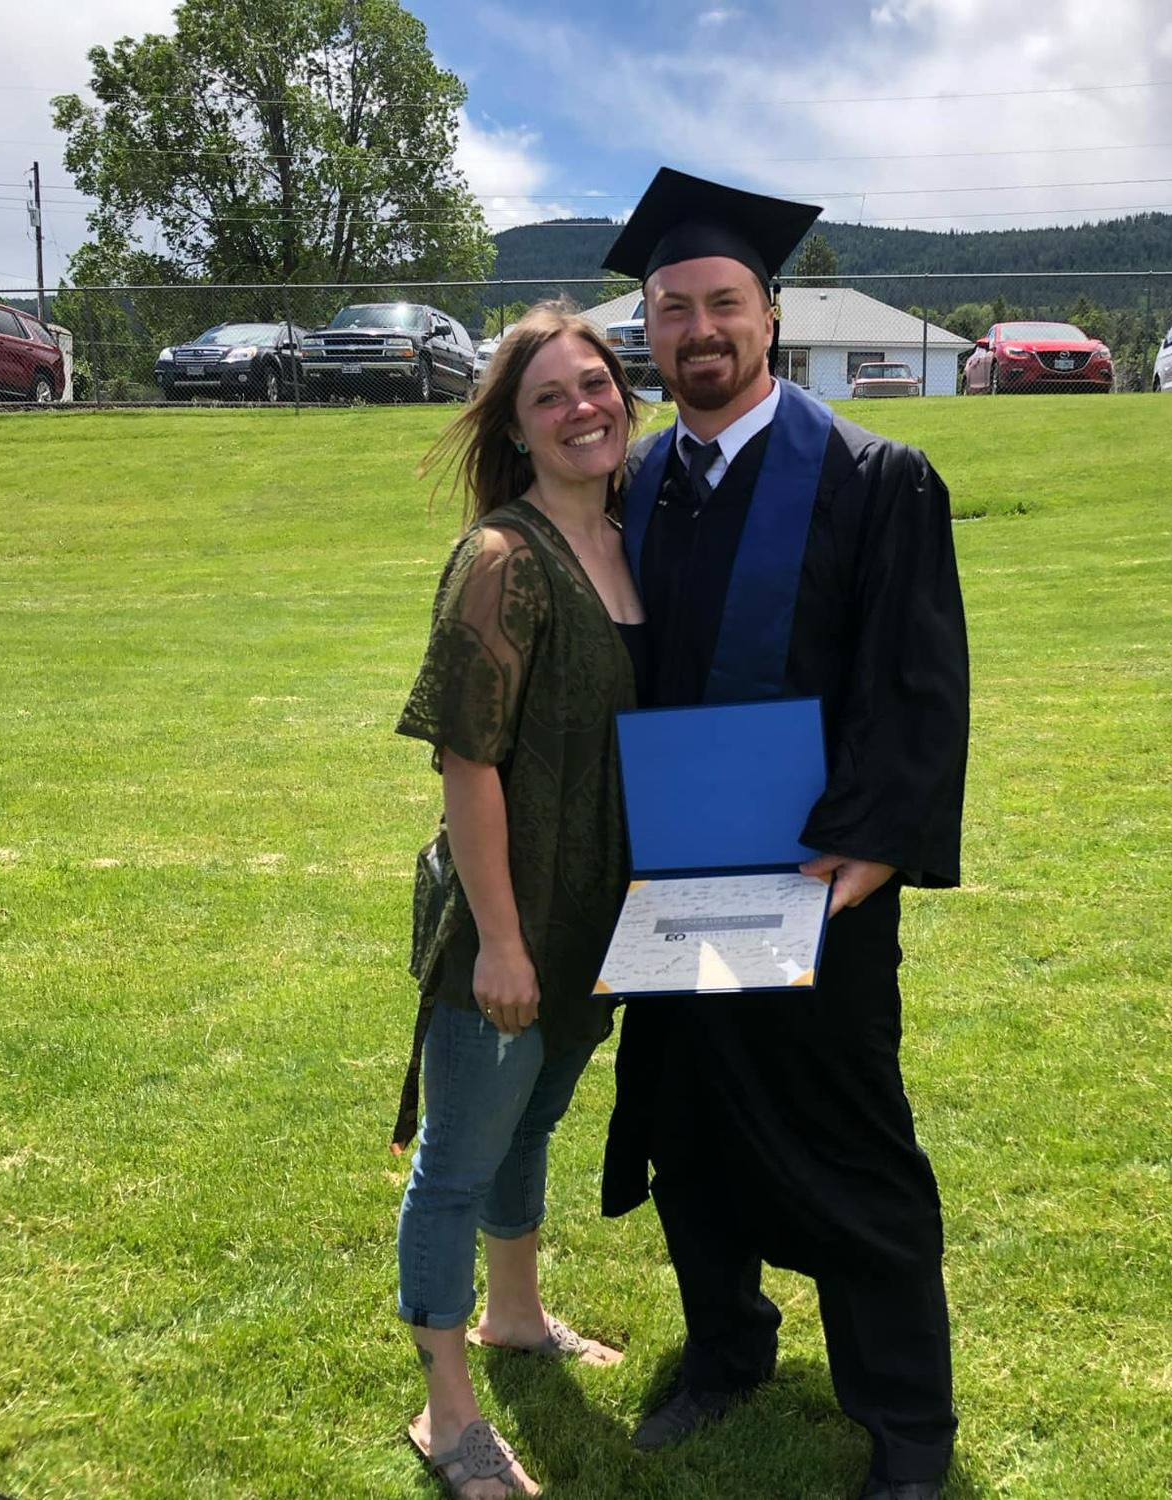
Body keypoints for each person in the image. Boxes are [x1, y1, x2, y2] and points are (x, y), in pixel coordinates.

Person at [599, 169, 970, 1500]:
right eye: (673, 308)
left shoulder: (875, 479)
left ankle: (906, 1426)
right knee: (691, 1127)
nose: (699, 329)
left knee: (851, 1140)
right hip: (670, 884)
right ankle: (724, 1352)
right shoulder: (634, 485)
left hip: (819, 882)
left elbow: (916, 680)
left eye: (724, 304)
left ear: (770, 315)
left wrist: (877, 844)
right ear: (648, 328)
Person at [392, 304, 648, 1499]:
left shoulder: (632, 543)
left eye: (594, 384)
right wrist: (499, 940)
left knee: (530, 1127)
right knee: (458, 1159)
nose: (580, 408)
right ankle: (447, 1411)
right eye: (549, 396)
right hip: (513, 915)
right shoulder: (504, 557)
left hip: (598, 909)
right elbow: (467, 758)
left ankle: (514, 1316)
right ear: (515, 428)